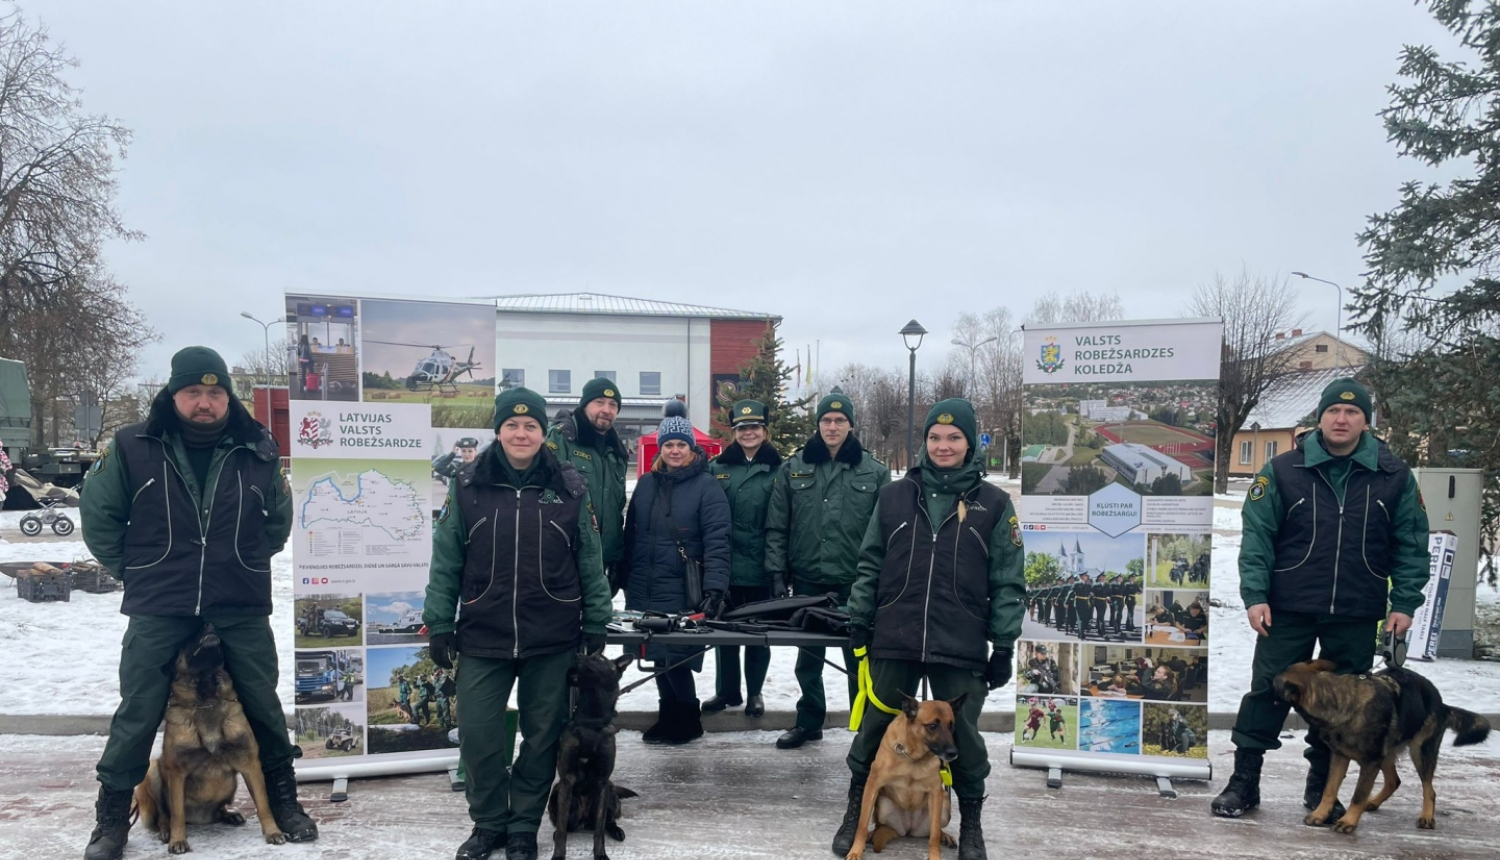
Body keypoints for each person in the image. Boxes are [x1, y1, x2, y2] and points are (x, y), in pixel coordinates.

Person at [78, 346, 316, 860]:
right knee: (139, 710)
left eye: (214, 393)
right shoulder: (132, 446)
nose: (205, 402)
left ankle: (285, 803)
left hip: (239, 600)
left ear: (227, 396)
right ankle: (112, 820)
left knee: (261, 704)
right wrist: (139, 571)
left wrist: (241, 561)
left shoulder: (258, 447)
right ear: (173, 395)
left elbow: (275, 522)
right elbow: (99, 520)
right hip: (161, 603)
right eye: (193, 393)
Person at [1212, 378, 1431, 820]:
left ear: (1366, 421)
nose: (1341, 419)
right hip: (1287, 606)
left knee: (1345, 707)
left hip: (1356, 609)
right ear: (1321, 417)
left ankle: (1320, 790)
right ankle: (1244, 783)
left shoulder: (1394, 477)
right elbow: (1258, 539)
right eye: (1334, 411)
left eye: (1352, 413)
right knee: (1267, 692)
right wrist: (1255, 595)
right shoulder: (1283, 471)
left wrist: (1404, 602)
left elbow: (1411, 544)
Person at [424, 386, 611, 860]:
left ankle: (524, 827)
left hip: (551, 635)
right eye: (512, 425)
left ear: (543, 431)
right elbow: (446, 559)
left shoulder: (569, 486)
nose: (521, 433)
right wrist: (440, 621)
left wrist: (597, 620)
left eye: (531, 426)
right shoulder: (467, 485)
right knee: (479, 736)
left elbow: (590, 558)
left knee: (542, 737)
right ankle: (489, 824)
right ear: (498, 430)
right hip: (483, 634)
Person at [837, 399, 1025, 860]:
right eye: (935, 438)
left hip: (958, 638)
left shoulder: (995, 504)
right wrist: (860, 616)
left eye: (954, 438)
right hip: (895, 633)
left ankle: (973, 823)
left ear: (969, 443)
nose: (944, 446)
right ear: (924, 443)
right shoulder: (893, 497)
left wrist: (1003, 643)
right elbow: (870, 564)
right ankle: (854, 812)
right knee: (876, 727)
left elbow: (1008, 579)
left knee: (960, 734)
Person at [764, 387, 889, 750]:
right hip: (808, 578)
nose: (832, 426)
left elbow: (886, 532)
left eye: (839, 420)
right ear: (818, 424)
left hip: (857, 582)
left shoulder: (874, 471)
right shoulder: (795, 467)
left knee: (859, 659)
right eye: (826, 420)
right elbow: (777, 525)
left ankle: (865, 729)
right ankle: (809, 721)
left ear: (851, 425)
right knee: (808, 658)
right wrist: (776, 574)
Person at [620, 405, 731, 744]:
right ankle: (667, 713)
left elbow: (718, 539)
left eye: (681, 445)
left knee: (677, 655)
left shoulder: (706, 486)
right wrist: (622, 574)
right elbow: (632, 533)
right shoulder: (646, 484)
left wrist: (715, 587)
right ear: (661, 448)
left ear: (692, 449)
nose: (675, 451)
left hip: (683, 585)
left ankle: (687, 718)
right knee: (653, 652)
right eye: (669, 445)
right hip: (645, 583)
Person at [704, 399, 782, 718]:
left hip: (763, 566)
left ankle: (754, 692)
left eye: (754, 427)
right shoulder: (717, 469)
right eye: (741, 428)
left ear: (765, 431)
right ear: (734, 432)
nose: (748, 433)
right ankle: (727, 690)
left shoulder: (781, 469)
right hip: (727, 566)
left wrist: (779, 570)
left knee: (758, 636)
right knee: (724, 634)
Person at [547, 378, 629, 594]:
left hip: (602, 562)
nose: (606, 410)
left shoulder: (617, 453)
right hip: (566, 557)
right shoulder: (562, 437)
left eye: (613, 405)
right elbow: (545, 496)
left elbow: (615, 509)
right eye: (599, 402)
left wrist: (616, 557)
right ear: (585, 405)